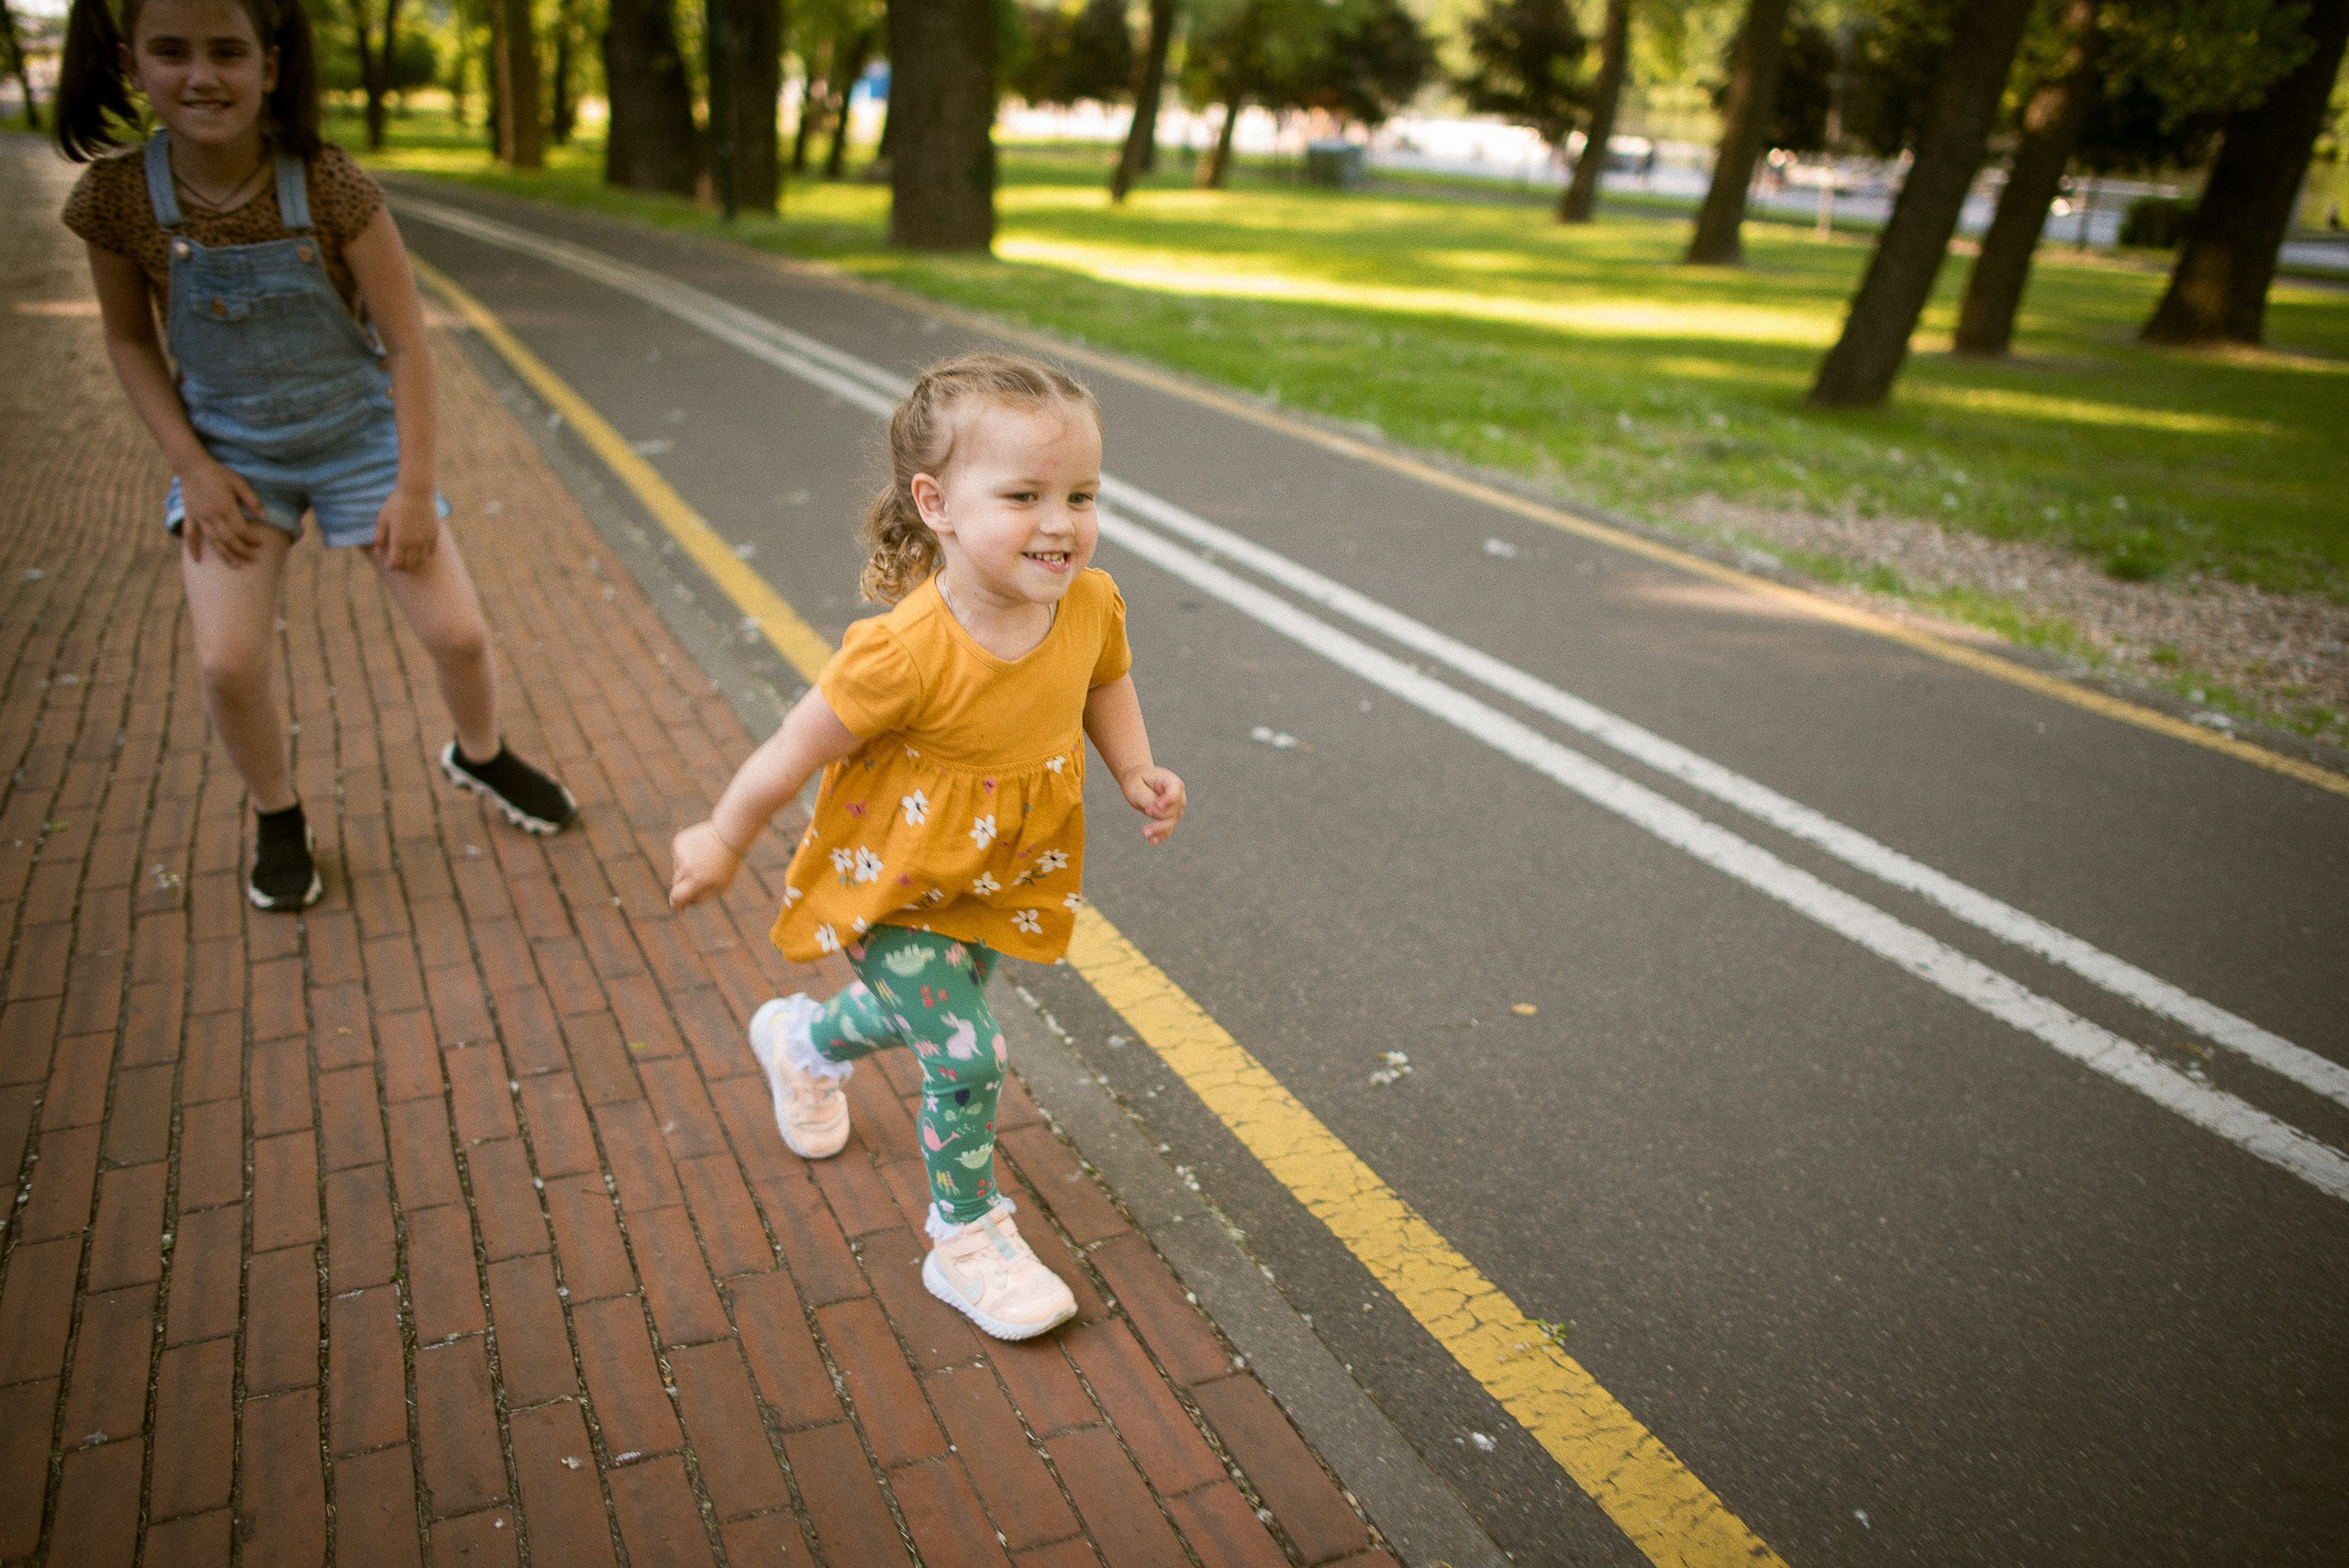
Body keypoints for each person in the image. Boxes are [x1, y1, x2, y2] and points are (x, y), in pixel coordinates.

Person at [669, 353, 1186, 1341]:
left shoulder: (1088, 602)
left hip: (1000, 872)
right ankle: (963, 1237)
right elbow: (792, 746)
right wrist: (723, 833)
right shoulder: (902, 651)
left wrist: (1135, 768)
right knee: (966, 1048)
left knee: (927, 1012)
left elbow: (1102, 681)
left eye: (1082, 494)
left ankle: (802, 1042)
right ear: (936, 502)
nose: (1060, 522)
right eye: (1024, 494)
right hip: (893, 878)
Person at [56, 0, 575, 912]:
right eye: (171, 52)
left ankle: (481, 753)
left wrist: (414, 488)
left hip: (359, 440)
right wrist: (192, 465)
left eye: (228, 50)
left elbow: (409, 345)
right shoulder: (118, 199)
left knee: (456, 632)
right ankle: (277, 813)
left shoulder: (330, 187)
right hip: (229, 454)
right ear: (132, 64)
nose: (202, 75)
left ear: (271, 60)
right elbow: (131, 344)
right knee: (229, 661)